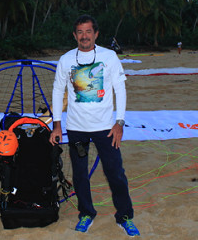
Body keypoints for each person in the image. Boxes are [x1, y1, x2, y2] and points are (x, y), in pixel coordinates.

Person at [50, 15, 140, 236]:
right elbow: (57, 90)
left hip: (106, 127)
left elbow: (120, 89)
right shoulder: (66, 59)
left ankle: (125, 216)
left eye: (88, 31)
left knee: (116, 173)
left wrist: (119, 123)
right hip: (76, 127)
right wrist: (57, 125)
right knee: (80, 175)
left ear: (96, 34)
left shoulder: (109, 57)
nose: (84, 36)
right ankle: (86, 213)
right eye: (80, 32)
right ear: (74, 35)